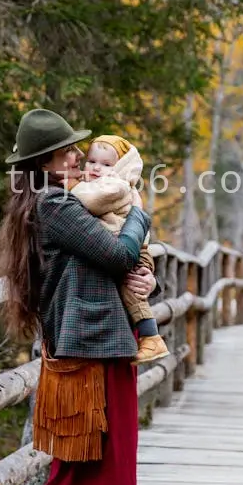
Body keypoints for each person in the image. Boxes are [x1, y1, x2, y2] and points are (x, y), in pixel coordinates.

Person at [0, 107, 159, 485]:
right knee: (76, 466)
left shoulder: (71, 203)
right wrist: (141, 213)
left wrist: (146, 282)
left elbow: (118, 265)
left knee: (116, 467)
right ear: (44, 162)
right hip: (83, 351)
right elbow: (115, 254)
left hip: (107, 344)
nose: (78, 157)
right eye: (67, 151)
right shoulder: (53, 206)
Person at [71, 135, 169, 364]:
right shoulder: (102, 184)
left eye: (106, 164)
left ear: (121, 167)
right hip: (123, 245)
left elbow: (88, 201)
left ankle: (151, 336)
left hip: (126, 246)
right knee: (131, 288)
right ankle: (150, 336)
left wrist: (70, 190)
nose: (96, 168)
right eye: (92, 161)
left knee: (130, 288)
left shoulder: (115, 185)